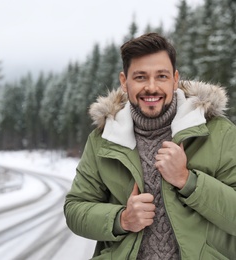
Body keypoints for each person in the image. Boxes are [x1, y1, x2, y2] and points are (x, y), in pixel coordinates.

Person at [64, 33, 236, 259]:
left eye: (161, 76)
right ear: (125, 82)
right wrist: (122, 219)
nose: (151, 87)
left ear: (175, 79)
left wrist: (187, 180)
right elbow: (75, 209)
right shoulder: (104, 139)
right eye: (141, 77)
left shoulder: (218, 133)